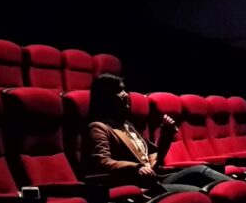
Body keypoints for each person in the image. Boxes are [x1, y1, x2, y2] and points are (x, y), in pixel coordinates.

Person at [84, 74, 232, 191]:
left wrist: (166, 133)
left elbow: (155, 157)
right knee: (196, 192)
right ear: (105, 97)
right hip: (136, 184)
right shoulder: (99, 127)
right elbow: (101, 162)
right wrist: (136, 167)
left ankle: (242, 189)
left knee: (201, 171)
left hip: (155, 178)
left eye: (124, 90)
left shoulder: (127, 125)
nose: (125, 95)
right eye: (118, 91)